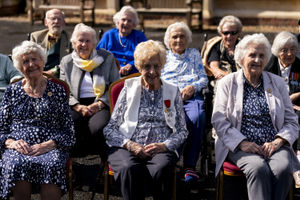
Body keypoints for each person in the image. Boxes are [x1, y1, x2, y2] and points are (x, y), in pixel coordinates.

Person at [212, 33, 300, 200]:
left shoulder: (277, 82)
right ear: (241, 57)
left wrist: (278, 141)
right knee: (257, 168)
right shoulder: (227, 83)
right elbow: (219, 120)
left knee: (283, 167)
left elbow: (291, 121)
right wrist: (242, 143)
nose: (258, 60)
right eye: (252, 55)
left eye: (261, 56)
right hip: (238, 146)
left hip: (273, 145)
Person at [103, 40, 188, 200]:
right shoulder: (128, 88)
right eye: (146, 67)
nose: (152, 71)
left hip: (160, 149)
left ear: (162, 65)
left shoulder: (173, 91)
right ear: (139, 67)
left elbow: (182, 131)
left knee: (161, 169)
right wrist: (130, 145)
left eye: (156, 66)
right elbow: (110, 129)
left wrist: (164, 145)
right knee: (128, 168)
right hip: (127, 146)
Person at [0, 41, 75, 199]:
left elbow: (68, 131)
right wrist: (11, 143)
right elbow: (1, 128)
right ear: (20, 67)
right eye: (25, 61)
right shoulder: (11, 91)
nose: (31, 64)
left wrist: (49, 144)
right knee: (16, 163)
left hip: (50, 146)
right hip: (19, 147)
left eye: (35, 59)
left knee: (52, 164)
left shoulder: (57, 91)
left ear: (43, 61)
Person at [60, 23, 120, 158]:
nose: (84, 44)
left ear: (94, 43)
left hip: (101, 102)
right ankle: (76, 158)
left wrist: (99, 104)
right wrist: (77, 106)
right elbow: (64, 89)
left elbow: (115, 86)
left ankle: (97, 157)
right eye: (80, 40)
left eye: (88, 41)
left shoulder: (107, 58)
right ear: (74, 43)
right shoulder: (66, 61)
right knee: (70, 122)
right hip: (75, 103)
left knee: (98, 126)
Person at [161, 22, 208, 182]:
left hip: (192, 96)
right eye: (175, 36)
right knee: (176, 121)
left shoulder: (194, 53)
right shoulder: (163, 56)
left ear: (187, 38)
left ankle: (189, 165)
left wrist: (192, 87)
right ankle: (171, 161)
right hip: (169, 98)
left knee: (197, 117)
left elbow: (203, 78)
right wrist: (172, 93)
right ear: (169, 40)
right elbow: (157, 80)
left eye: (182, 36)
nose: (179, 39)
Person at [264, 31, 300, 187]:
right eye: (284, 50)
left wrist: (296, 96)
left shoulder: (299, 65)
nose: (289, 53)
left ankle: (298, 161)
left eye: (293, 49)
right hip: (273, 106)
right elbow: (262, 89)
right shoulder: (268, 65)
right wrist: (284, 102)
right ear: (277, 51)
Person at [96, 5, 147, 76]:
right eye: (123, 19)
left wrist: (131, 65)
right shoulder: (109, 35)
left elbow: (145, 56)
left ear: (134, 24)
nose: (126, 23)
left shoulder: (139, 37)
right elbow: (98, 54)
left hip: (133, 75)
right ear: (118, 22)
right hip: (109, 74)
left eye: (129, 21)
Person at [30, 9, 71, 77]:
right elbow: (31, 59)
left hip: (62, 76)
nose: (56, 21)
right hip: (39, 75)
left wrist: (54, 71)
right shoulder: (36, 37)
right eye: (53, 19)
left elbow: (72, 61)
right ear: (46, 22)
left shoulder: (71, 38)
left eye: (59, 19)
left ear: (64, 23)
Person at [202, 15, 243, 79]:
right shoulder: (216, 45)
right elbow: (214, 68)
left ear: (238, 33)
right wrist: (231, 77)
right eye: (225, 33)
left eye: (233, 33)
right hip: (221, 81)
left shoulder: (245, 46)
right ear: (220, 33)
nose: (229, 36)